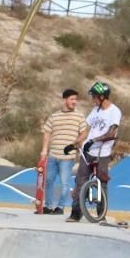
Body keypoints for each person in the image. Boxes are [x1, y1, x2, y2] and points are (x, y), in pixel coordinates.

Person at [66, 81, 121, 223]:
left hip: (103, 153)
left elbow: (112, 132)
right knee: (80, 181)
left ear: (102, 96)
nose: (92, 99)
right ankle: (75, 214)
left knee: (102, 183)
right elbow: (86, 130)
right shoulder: (95, 111)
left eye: (94, 96)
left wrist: (95, 140)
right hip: (87, 152)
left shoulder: (114, 111)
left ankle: (101, 215)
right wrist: (74, 144)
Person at [39, 88, 84, 216]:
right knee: (48, 181)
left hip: (68, 157)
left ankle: (60, 207)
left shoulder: (79, 116)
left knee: (65, 184)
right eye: (72, 99)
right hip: (53, 155)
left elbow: (84, 133)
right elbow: (47, 133)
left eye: (76, 99)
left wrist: (76, 144)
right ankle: (47, 206)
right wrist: (44, 151)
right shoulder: (54, 116)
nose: (74, 102)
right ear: (65, 100)